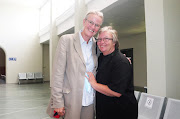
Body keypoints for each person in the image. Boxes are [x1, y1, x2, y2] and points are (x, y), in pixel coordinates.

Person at [46, 10, 104, 119]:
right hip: (70, 100)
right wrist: (57, 101)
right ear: (84, 21)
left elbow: (108, 56)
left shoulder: (96, 45)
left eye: (97, 25)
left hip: (90, 100)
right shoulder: (66, 40)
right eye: (90, 22)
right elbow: (57, 74)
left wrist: (122, 58)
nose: (93, 27)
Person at [86, 26, 138, 119]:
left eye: (106, 39)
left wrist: (94, 84)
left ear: (114, 42)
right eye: (100, 39)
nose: (102, 42)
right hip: (105, 109)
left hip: (121, 111)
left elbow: (116, 91)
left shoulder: (121, 61)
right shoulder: (101, 58)